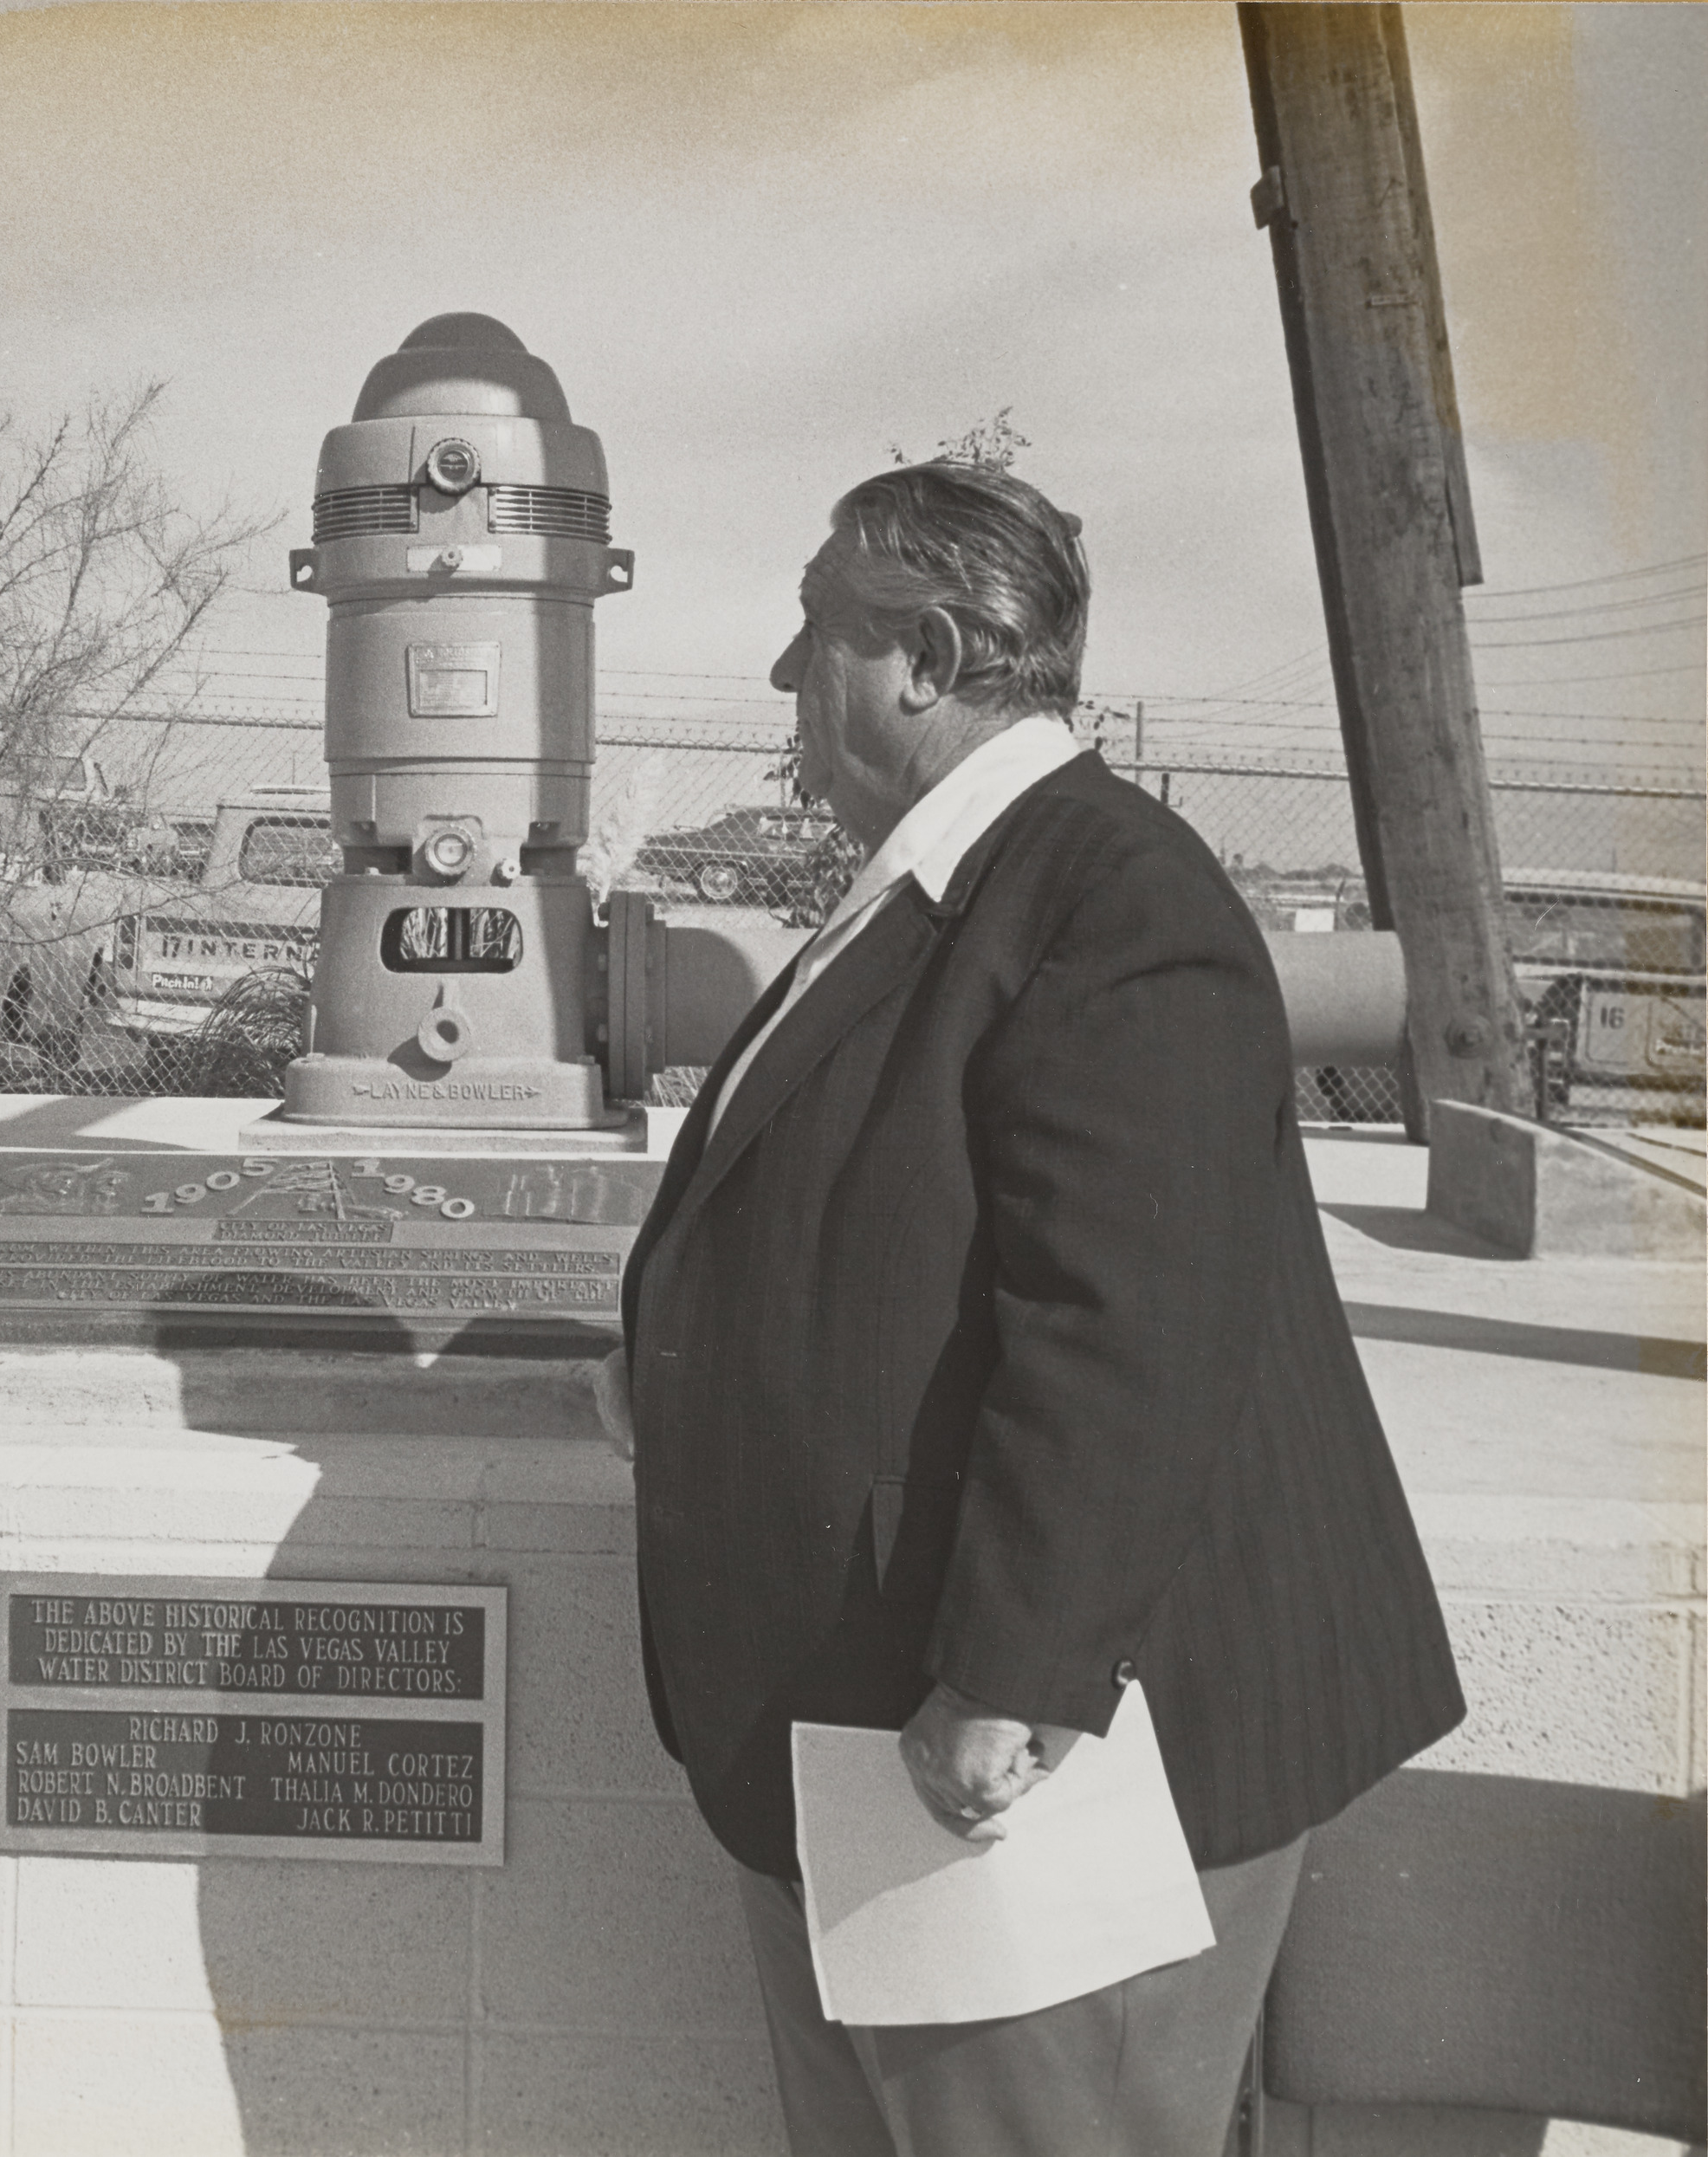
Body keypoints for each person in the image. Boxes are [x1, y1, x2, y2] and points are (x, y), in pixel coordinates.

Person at [617, 460, 1465, 2155]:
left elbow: (1131, 1323)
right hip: (867, 1738)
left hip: (1012, 1765)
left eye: (813, 634)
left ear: (924, 654)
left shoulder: (1110, 897)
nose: (787, 678)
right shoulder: (943, 885)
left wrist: (1011, 1679)